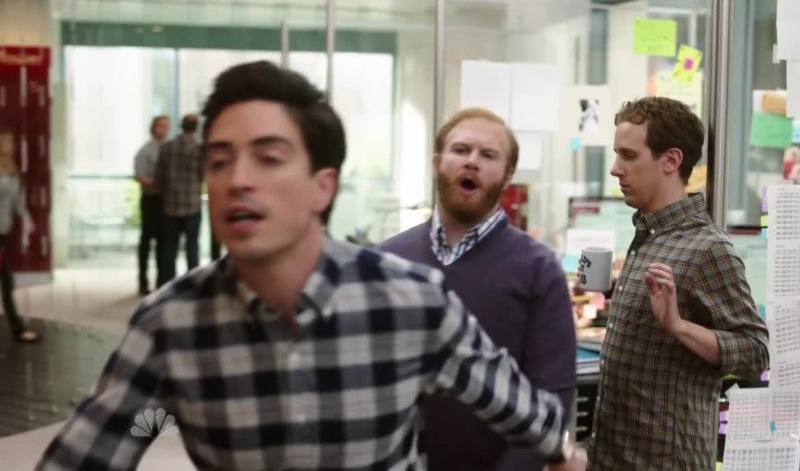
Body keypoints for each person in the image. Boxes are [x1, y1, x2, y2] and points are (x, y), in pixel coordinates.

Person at [37, 61, 586, 470]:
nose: (237, 180)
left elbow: (526, 412)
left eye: (268, 158)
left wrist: (561, 450)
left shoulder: (409, 303)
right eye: (220, 161)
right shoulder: (173, 325)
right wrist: (159, 414)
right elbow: (117, 436)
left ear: (323, 186)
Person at [380, 107, 576, 471]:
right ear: (437, 162)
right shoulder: (387, 261)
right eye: (460, 150)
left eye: (488, 155)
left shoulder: (538, 269)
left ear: (507, 175)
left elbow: (554, 393)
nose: (472, 161)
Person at [588, 97, 769, 470]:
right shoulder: (649, 235)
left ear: (670, 161)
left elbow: (755, 352)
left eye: (628, 156)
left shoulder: (708, 249)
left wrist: (678, 326)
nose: (615, 169)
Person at [154, 114, 203, 287]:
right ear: (196, 127)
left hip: (170, 206)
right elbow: (203, 175)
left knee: (169, 249)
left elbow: (159, 177)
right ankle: (194, 285)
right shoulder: (199, 149)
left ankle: (167, 286)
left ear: (181, 126)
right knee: (192, 248)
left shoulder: (168, 147)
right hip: (192, 205)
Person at [0, 127, 38, 343]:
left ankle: (18, 329)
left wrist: (27, 219)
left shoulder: (12, 168)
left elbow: (17, 201)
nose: (12, 147)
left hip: (3, 232)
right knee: (6, 280)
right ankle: (18, 329)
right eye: (7, 143)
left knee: (6, 281)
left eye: (12, 143)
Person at [134, 115, 170, 295]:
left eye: (167, 126)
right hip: (150, 200)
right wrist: (156, 183)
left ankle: (162, 282)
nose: (165, 130)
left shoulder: (170, 149)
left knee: (164, 242)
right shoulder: (145, 151)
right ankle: (143, 281)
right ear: (153, 128)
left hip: (166, 200)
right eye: (161, 126)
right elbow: (139, 176)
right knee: (146, 240)